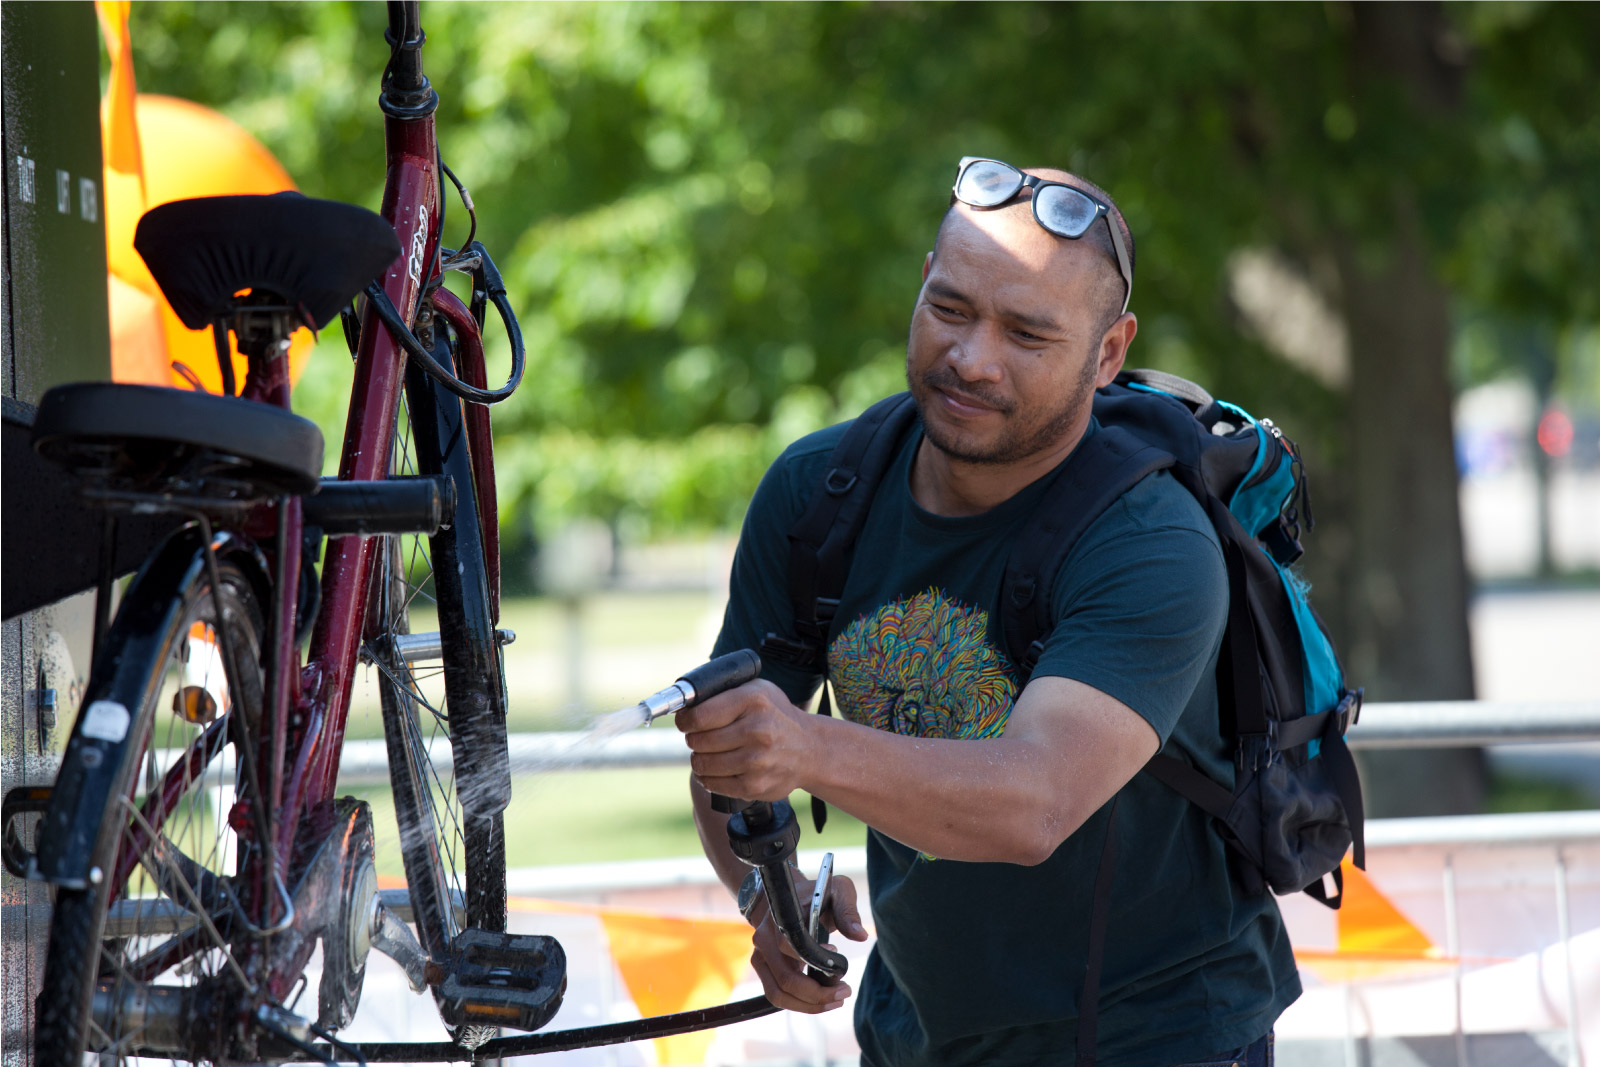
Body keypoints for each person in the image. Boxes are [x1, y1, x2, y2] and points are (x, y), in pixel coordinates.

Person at [676, 157, 1297, 1067]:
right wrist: (767, 895)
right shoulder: (819, 493)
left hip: (1158, 1036)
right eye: (952, 308)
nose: (972, 358)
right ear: (924, 279)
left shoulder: (1151, 538)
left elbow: (1033, 802)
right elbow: (733, 749)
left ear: (1109, 353)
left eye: (1028, 333)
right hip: (915, 1034)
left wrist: (803, 746)